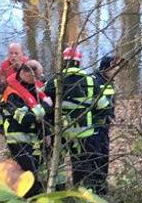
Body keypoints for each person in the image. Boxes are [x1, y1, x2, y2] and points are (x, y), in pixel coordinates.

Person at [44, 47, 96, 189]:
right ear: (79, 62)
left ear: (64, 62)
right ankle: (80, 191)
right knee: (81, 163)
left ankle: (60, 190)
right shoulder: (90, 80)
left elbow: (46, 105)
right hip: (83, 131)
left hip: (60, 129)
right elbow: (100, 105)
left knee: (58, 161)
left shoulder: (55, 80)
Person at [1, 61, 51, 197]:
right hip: (18, 142)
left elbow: (39, 117)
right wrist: (46, 106)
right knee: (29, 179)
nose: (39, 80)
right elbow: (25, 118)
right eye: (37, 76)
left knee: (37, 178)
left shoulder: (31, 88)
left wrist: (47, 133)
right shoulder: (12, 94)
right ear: (26, 73)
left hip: (34, 141)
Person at [83, 55, 122, 195]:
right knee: (94, 158)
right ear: (106, 68)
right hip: (93, 128)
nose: (117, 70)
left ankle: (101, 189)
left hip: (104, 127)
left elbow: (110, 102)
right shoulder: (94, 81)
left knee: (104, 158)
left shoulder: (109, 81)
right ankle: (93, 191)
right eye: (114, 67)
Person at [0, 43, 27, 133]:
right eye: (11, 53)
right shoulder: (1, 74)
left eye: (16, 53)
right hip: (9, 108)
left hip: (27, 108)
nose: (13, 56)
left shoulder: (30, 69)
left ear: (22, 54)